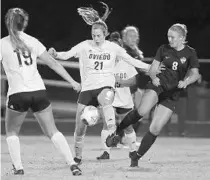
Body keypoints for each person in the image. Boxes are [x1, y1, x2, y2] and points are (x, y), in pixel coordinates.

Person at [48, 2, 151, 165]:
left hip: (105, 87)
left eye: (99, 35)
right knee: (80, 127)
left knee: (107, 98)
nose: (96, 38)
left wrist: (151, 67)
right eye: (93, 35)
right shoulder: (85, 46)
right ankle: (78, 156)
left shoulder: (113, 47)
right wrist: (55, 54)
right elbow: (66, 55)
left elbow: (132, 61)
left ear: (105, 34)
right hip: (88, 89)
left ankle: (112, 133)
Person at [0, 8, 82, 176]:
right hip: (38, 92)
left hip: (18, 94)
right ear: (25, 23)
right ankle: (72, 164)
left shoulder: (3, 43)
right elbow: (53, 64)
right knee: (53, 131)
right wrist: (72, 81)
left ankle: (19, 168)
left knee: (12, 132)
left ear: (7, 22)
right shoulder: (33, 41)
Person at [106, 23, 200, 167]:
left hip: (172, 94)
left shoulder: (190, 53)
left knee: (155, 128)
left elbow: (195, 74)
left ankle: (136, 157)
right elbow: (153, 68)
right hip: (157, 86)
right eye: (168, 36)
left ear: (182, 38)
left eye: (173, 37)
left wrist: (186, 82)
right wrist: (154, 76)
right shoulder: (163, 49)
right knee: (142, 111)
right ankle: (118, 133)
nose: (170, 39)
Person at [96, 31, 139, 160]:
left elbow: (133, 81)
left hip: (124, 100)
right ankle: (106, 152)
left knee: (128, 127)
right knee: (107, 125)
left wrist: (120, 82)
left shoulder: (126, 62)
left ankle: (133, 151)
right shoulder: (103, 63)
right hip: (109, 100)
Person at [121, 26, 151, 133]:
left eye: (135, 36)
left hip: (134, 88)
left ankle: (126, 139)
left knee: (141, 113)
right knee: (124, 115)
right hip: (123, 88)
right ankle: (120, 139)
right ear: (124, 38)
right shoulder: (124, 51)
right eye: (130, 36)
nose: (133, 38)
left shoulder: (136, 51)